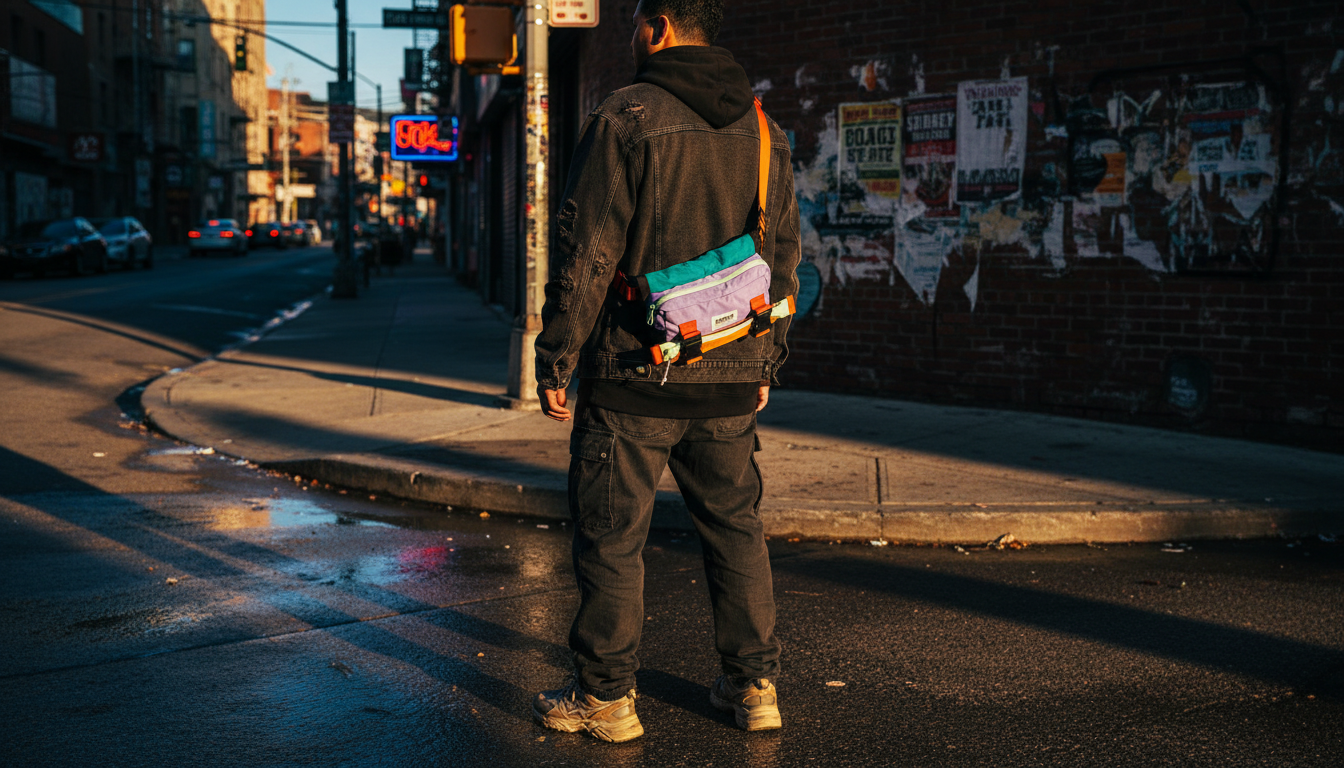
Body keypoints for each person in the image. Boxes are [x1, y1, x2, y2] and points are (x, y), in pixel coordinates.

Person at [531, 0, 800, 743]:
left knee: (613, 538)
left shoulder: (626, 116)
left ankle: (608, 701)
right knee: (735, 530)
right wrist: (764, 360)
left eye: (636, 24)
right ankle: (754, 689)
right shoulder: (763, 131)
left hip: (634, 371)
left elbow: (588, 253)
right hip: (731, 372)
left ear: (658, 27)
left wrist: (557, 356)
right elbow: (784, 262)